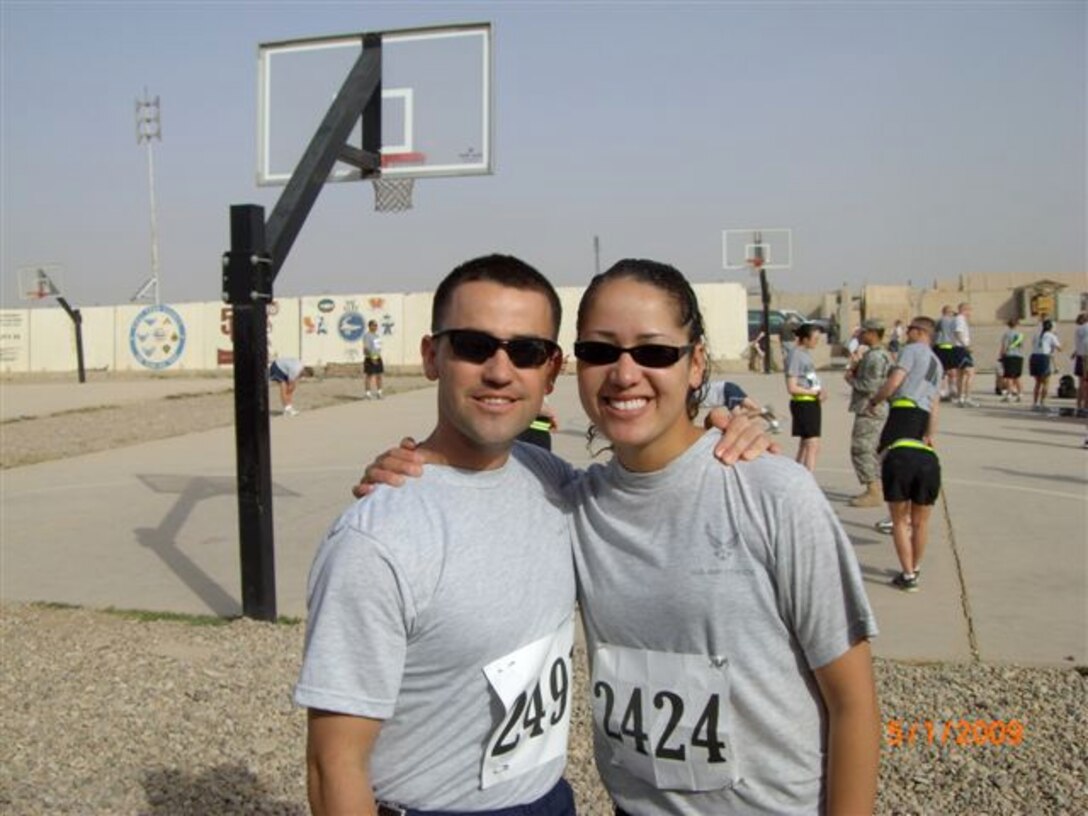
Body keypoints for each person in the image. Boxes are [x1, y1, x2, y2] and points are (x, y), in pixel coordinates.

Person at [363, 260, 880, 814]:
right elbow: (473, 476)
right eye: (601, 351)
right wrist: (412, 468)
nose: (625, 373)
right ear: (574, 364)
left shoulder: (773, 494)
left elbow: (852, 703)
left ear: (696, 361)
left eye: (655, 352)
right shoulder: (572, 498)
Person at [299, 255, 770, 816]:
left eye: (525, 351)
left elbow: (652, 476)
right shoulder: (377, 540)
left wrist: (729, 425)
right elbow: (334, 764)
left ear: (551, 371)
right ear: (432, 356)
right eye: (474, 345)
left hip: (548, 800)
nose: (500, 371)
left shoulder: (557, 485)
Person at [865, 317, 943, 592]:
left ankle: (907, 574)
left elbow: (895, 380)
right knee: (921, 522)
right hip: (924, 444)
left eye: (909, 329)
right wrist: (930, 434)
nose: (905, 333)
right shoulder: (937, 363)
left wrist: (875, 399)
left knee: (900, 519)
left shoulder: (912, 351)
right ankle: (915, 568)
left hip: (901, 428)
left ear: (919, 332)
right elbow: (935, 405)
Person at [845, 319, 893, 507]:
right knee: (869, 449)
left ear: (873, 333)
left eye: (864, 332)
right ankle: (874, 488)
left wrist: (850, 379)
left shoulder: (875, 357)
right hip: (871, 407)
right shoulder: (875, 355)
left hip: (870, 408)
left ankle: (873, 491)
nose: (860, 335)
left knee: (862, 449)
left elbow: (870, 386)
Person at [784, 322, 827, 471]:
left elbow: (809, 377)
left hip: (811, 402)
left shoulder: (804, 354)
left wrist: (819, 390)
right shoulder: (795, 355)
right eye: (814, 339)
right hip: (804, 403)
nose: (816, 342)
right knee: (812, 444)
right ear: (804, 339)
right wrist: (812, 392)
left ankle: (797, 474)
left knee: (806, 443)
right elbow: (792, 386)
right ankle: (809, 478)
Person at [700, 379, 780, 432]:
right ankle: (775, 424)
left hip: (726, 392)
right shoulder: (696, 389)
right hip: (730, 386)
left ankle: (764, 410)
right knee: (754, 408)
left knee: (738, 418)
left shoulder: (691, 398)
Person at [1029, 318, 1062, 413]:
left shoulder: (1037, 334)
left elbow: (1034, 344)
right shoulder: (1051, 336)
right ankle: (1042, 403)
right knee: (1046, 382)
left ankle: (1035, 403)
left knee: (1038, 382)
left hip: (1034, 356)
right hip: (1043, 357)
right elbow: (1059, 348)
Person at [952, 302, 979, 407]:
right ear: (965, 309)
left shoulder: (958, 319)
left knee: (960, 374)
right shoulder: (960, 319)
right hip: (961, 348)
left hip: (957, 348)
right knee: (970, 373)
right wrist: (965, 345)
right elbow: (958, 332)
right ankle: (967, 397)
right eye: (969, 310)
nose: (970, 313)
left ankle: (960, 398)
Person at [933, 305, 958, 401]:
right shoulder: (954, 321)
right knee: (952, 370)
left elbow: (934, 332)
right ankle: (952, 390)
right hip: (951, 346)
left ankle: (943, 391)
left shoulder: (939, 321)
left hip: (940, 346)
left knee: (941, 370)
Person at [998, 318, 1025, 402]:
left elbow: (1005, 346)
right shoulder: (1020, 334)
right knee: (1017, 376)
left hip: (1009, 356)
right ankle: (1020, 393)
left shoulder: (1007, 334)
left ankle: (1009, 394)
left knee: (1009, 377)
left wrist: (1001, 355)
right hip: (1019, 355)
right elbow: (1021, 346)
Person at [362, 319, 384, 399]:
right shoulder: (367, 336)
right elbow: (366, 348)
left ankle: (379, 392)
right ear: (370, 326)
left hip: (377, 357)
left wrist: (377, 356)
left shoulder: (376, 336)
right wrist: (371, 358)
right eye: (374, 325)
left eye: (376, 326)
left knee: (379, 375)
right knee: (369, 376)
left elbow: (377, 348)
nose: (375, 327)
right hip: (370, 358)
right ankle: (368, 393)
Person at [1072, 312, 1088, 417]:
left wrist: (1075, 352)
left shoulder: (1078, 329)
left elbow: (1080, 344)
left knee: (1081, 383)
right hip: (1086, 357)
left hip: (1080, 356)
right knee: (1086, 383)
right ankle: (1086, 406)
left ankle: (1079, 406)